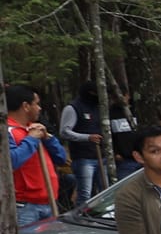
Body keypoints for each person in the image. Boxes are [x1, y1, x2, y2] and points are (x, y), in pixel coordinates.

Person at [7, 83, 60, 226]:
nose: (39, 108)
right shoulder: (7, 131)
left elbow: (61, 158)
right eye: (36, 104)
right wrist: (31, 139)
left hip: (49, 201)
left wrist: (48, 138)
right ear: (26, 106)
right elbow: (11, 162)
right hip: (25, 207)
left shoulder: (36, 128)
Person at [58, 82, 104, 205]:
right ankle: (82, 219)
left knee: (105, 191)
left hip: (101, 156)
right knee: (85, 194)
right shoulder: (73, 108)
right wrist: (87, 137)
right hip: (83, 157)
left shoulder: (99, 107)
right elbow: (64, 131)